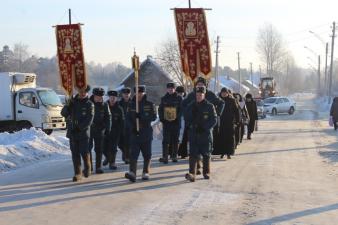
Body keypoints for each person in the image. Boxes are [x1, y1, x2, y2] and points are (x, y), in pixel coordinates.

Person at [182, 77, 224, 174]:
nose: (200, 87)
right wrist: (189, 120)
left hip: (206, 127)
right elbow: (183, 105)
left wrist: (217, 113)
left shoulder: (210, 96)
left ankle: (206, 171)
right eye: (198, 84)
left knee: (206, 150)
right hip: (194, 128)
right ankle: (194, 170)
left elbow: (221, 103)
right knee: (193, 151)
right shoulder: (191, 95)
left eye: (202, 84)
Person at [61, 85, 94, 182]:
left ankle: (87, 168)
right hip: (72, 133)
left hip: (83, 133)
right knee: (75, 154)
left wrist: (79, 128)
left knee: (84, 152)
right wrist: (67, 106)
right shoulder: (72, 102)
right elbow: (63, 113)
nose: (82, 93)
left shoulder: (89, 104)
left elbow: (89, 119)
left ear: (87, 92)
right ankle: (78, 173)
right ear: (78, 91)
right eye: (81, 91)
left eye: (84, 92)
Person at [184, 86, 217, 182]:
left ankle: (206, 172)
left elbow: (214, 120)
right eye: (197, 95)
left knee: (206, 154)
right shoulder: (191, 106)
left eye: (200, 95)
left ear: (204, 95)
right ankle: (192, 174)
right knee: (193, 154)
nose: (198, 96)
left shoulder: (210, 106)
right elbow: (186, 118)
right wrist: (191, 126)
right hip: (194, 134)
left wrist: (204, 127)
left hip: (205, 135)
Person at [125, 85, 157, 182]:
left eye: (141, 93)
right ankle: (132, 173)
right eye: (137, 93)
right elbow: (127, 119)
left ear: (144, 93)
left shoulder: (150, 104)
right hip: (135, 133)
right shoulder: (131, 104)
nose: (139, 95)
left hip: (146, 133)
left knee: (147, 154)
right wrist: (133, 127)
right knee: (133, 154)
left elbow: (154, 117)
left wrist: (142, 117)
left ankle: (145, 172)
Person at [158, 82, 183, 163]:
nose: (170, 89)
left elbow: (181, 110)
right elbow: (160, 110)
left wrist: (177, 117)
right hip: (166, 123)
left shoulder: (179, 98)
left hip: (176, 122)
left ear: (174, 89)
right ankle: (165, 157)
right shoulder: (163, 98)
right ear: (167, 89)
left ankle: (174, 156)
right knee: (166, 140)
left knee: (175, 140)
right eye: (169, 88)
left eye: (172, 88)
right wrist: (162, 119)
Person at [89, 87, 111, 174]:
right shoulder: (88, 103)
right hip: (89, 129)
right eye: (98, 96)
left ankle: (98, 167)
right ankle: (89, 167)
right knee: (87, 148)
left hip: (100, 129)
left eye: (101, 96)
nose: (99, 98)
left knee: (99, 149)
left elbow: (108, 117)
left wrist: (107, 128)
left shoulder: (105, 105)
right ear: (94, 95)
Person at [213, 88, 240, 159]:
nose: (224, 94)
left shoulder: (232, 100)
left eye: (225, 93)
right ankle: (222, 152)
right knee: (221, 138)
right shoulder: (218, 101)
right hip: (221, 122)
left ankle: (229, 153)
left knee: (230, 138)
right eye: (223, 93)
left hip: (230, 122)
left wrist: (237, 121)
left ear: (228, 93)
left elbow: (237, 111)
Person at [105, 90, 125, 170]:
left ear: (116, 98)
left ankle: (112, 163)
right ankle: (108, 157)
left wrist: (121, 132)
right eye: (111, 97)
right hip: (105, 131)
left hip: (115, 131)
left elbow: (122, 121)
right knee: (104, 147)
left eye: (114, 97)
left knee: (113, 147)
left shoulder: (119, 109)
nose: (112, 99)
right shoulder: (104, 106)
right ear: (109, 97)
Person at [118, 87, 132, 164]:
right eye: (125, 94)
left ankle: (127, 157)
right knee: (121, 143)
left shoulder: (133, 103)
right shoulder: (119, 104)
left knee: (129, 143)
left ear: (130, 94)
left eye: (128, 94)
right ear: (122, 94)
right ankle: (125, 154)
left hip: (130, 126)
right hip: (121, 126)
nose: (126, 95)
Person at [176, 86, 188, 159]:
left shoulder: (185, 100)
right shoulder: (175, 99)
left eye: (181, 93)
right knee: (177, 135)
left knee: (182, 136)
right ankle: (174, 152)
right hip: (176, 119)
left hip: (183, 118)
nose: (180, 94)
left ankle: (182, 152)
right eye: (178, 93)